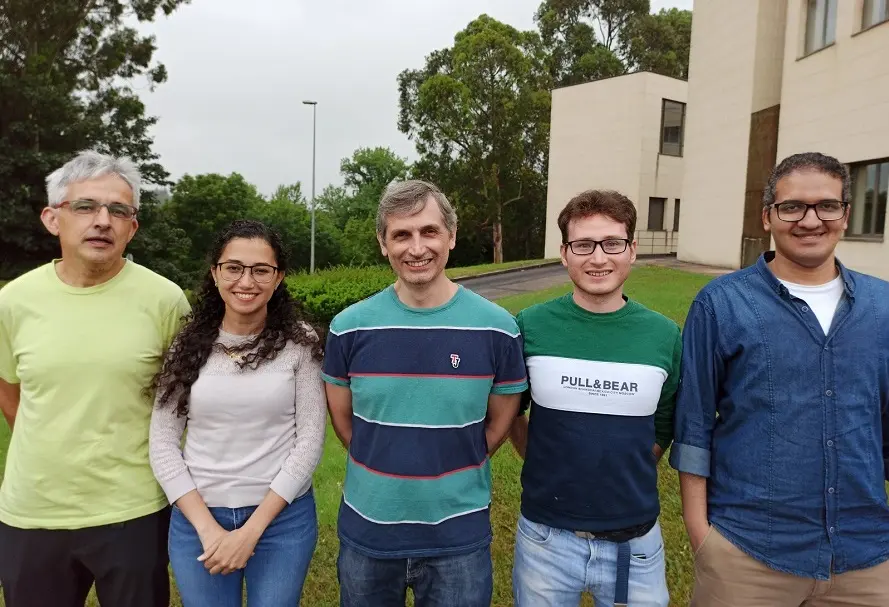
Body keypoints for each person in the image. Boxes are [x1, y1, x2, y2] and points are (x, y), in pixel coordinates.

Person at [670, 152, 889, 606]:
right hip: (748, 552)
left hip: (866, 555)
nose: (810, 220)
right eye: (792, 207)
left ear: (845, 215)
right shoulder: (721, 304)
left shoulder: (882, 306)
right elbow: (694, 424)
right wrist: (701, 535)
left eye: (826, 206)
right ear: (768, 215)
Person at [322, 179, 528, 607]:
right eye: (402, 234)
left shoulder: (497, 328)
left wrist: (457, 460)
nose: (417, 248)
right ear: (383, 243)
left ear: (450, 236)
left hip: (459, 537)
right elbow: (344, 424)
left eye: (429, 231)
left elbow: (500, 422)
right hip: (368, 532)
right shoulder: (349, 328)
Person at [0, 150, 190, 607]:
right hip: (32, 513)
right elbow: (11, 392)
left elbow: (183, 404)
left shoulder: (166, 301)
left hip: (133, 512)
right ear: (52, 218)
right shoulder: (13, 301)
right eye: (85, 206)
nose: (103, 220)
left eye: (118, 210)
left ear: (132, 227)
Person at [509, 190, 680, 607]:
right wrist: (543, 459)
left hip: (634, 543)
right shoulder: (530, 326)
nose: (598, 258)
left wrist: (628, 462)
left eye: (612, 244)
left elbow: (666, 420)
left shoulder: (664, 334)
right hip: (545, 538)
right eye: (583, 245)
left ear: (632, 250)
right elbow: (510, 410)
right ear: (565, 253)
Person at [149, 219, 326, 607]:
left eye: (261, 270)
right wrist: (208, 530)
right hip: (198, 520)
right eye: (234, 268)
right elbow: (162, 444)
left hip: (282, 521)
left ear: (278, 278)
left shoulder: (300, 344)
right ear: (215, 273)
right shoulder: (187, 345)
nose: (246, 281)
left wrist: (252, 530)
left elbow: (310, 441)